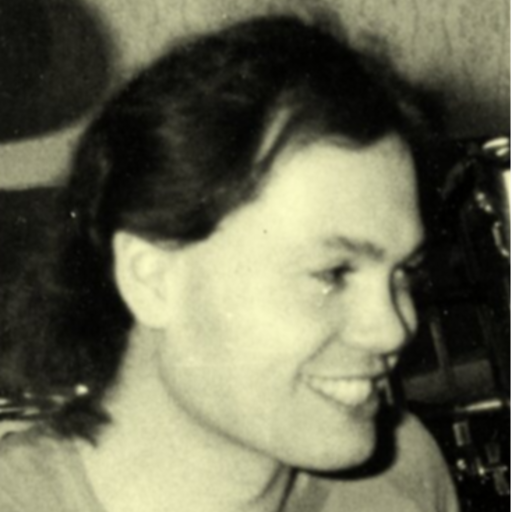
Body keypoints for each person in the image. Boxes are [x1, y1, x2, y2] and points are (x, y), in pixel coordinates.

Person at [0, 13, 459, 512]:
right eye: (333, 274)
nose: (393, 329)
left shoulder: (401, 474)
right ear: (152, 279)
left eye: (404, 272)